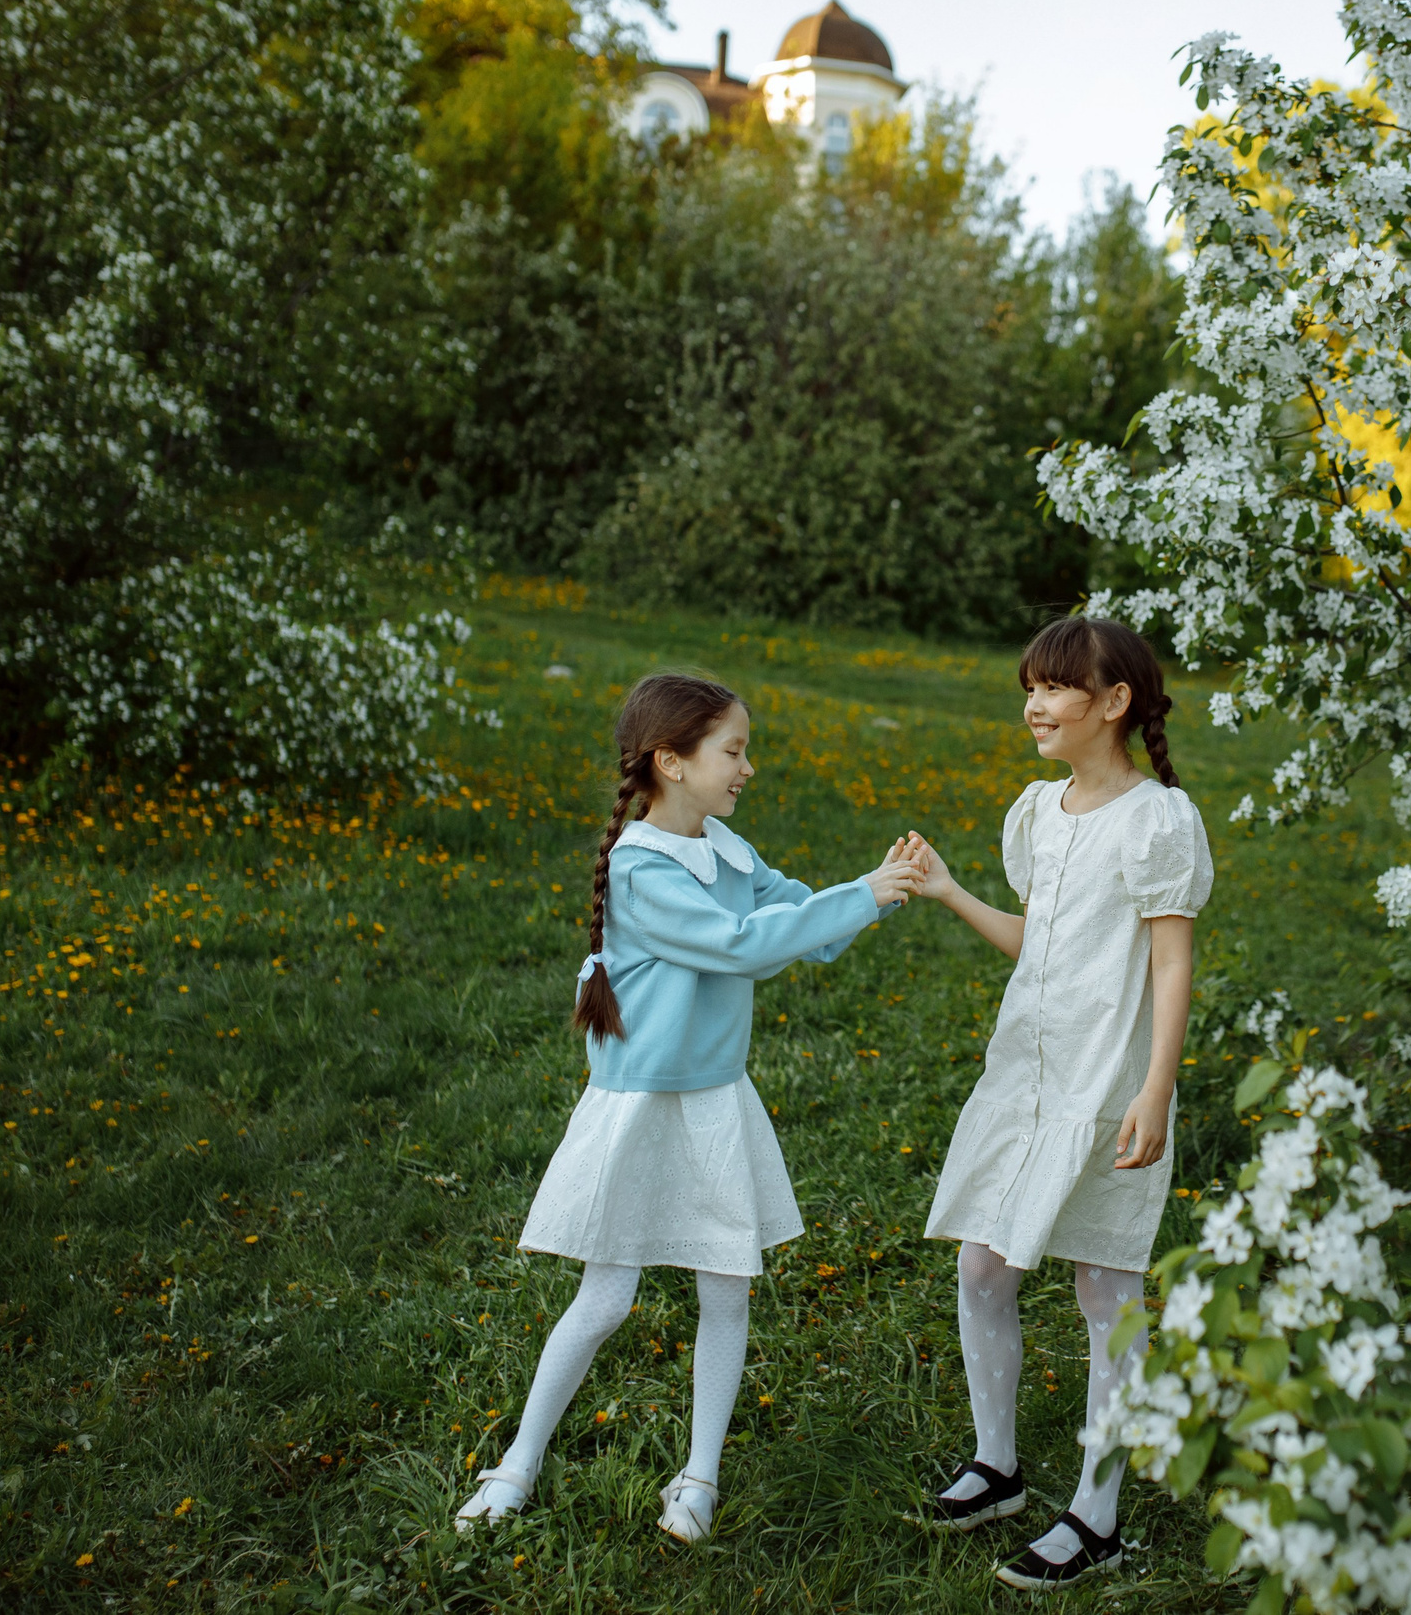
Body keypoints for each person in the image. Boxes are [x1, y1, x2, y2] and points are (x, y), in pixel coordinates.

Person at [454, 672, 924, 1543]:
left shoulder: (728, 849)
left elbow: (804, 926)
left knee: (726, 1289)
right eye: (733, 751)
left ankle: (700, 1476)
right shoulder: (641, 868)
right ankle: (518, 1461)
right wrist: (863, 892)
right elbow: (738, 944)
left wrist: (881, 887)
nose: (748, 767)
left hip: (714, 1103)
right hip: (641, 1106)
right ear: (671, 762)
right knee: (606, 1298)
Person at [900, 615, 1213, 1590]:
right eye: (1028, 687)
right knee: (981, 1265)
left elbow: (1170, 962)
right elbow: (1034, 941)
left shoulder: (1157, 819)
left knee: (1105, 1288)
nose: (1034, 704)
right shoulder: (1039, 811)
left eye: (1054, 688)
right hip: (1026, 1079)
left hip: (1108, 1084)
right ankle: (996, 1467)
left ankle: (1097, 1513)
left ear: (1113, 702)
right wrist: (951, 891)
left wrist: (1156, 1086)